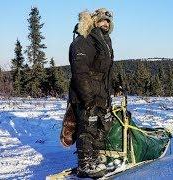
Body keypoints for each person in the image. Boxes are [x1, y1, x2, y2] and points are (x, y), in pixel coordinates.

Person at [68, 8, 114, 178]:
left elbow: (105, 72)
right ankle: (85, 164)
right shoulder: (84, 40)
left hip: (101, 93)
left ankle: (95, 160)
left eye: (108, 21)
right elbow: (79, 71)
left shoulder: (104, 41)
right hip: (86, 94)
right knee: (88, 128)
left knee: (101, 127)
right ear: (94, 21)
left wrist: (111, 90)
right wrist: (87, 98)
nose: (106, 23)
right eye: (103, 20)